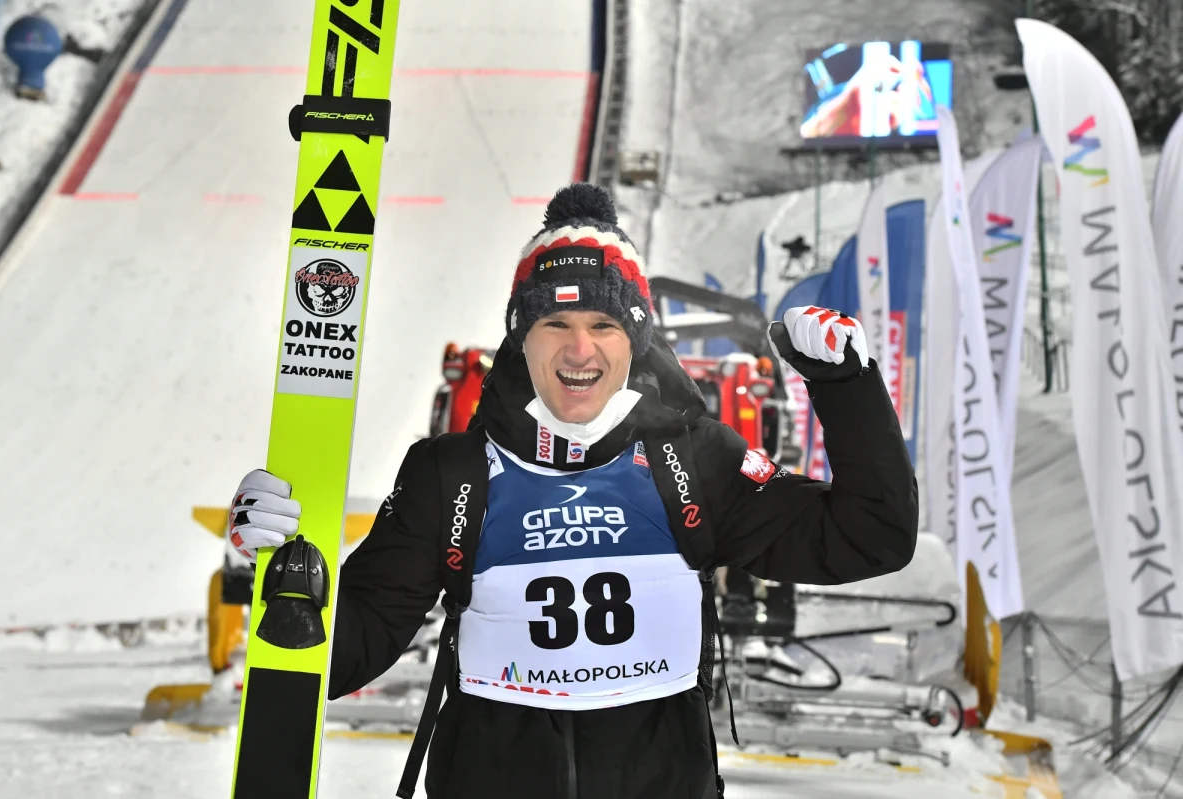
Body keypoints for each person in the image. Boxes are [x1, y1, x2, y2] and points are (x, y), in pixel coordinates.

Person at [227, 183, 918, 799]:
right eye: (554, 323)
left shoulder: (695, 461)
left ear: (636, 341)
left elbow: (871, 536)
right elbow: (347, 652)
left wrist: (847, 390)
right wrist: (273, 569)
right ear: (521, 338)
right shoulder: (454, 473)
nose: (579, 350)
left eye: (603, 325)